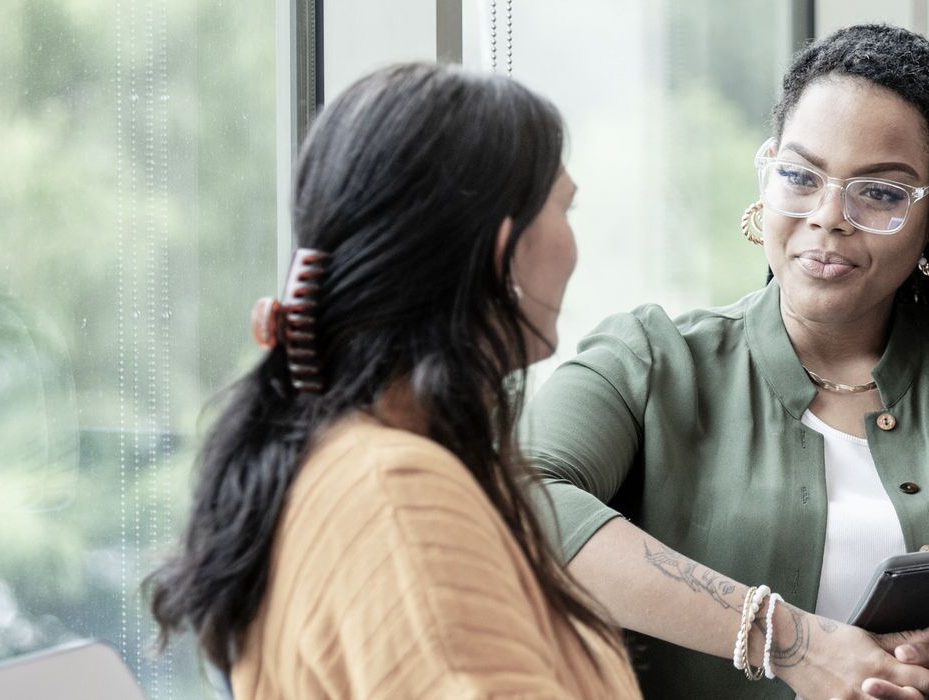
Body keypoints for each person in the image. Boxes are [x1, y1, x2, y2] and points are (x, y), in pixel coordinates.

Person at [525, 24, 929, 700]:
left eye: (881, 194)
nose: (829, 216)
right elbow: (518, 499)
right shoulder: (649, 362)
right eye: (800, 176)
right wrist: (793, 642)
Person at [146, 62, 639, 698]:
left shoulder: (360, 459)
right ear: (502, 251)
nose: (574, 243)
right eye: (563, 207)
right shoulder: (398, 496)